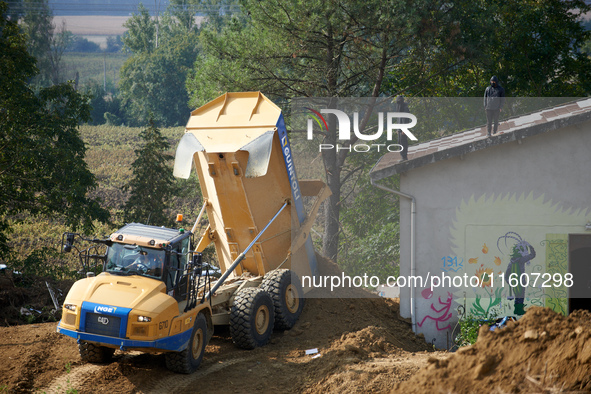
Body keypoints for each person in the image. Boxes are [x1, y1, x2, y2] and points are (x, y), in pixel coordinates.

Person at [396, 95, 410, 160]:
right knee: (400, 142)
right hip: (399, 129)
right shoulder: (399, 108)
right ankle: (402, 156)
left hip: (404, 129)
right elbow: (399, 119)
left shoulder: (405, 108)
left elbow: (406, 119)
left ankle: (404, 157)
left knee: (403, 142)